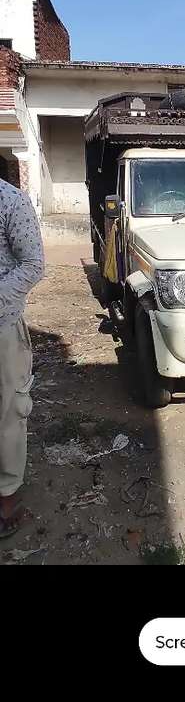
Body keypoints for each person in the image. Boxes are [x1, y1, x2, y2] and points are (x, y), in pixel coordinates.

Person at [0, 177, 44, 538]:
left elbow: (33, 263)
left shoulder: (10, 200)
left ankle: (6, 496)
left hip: (2, 326)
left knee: (8, 411)